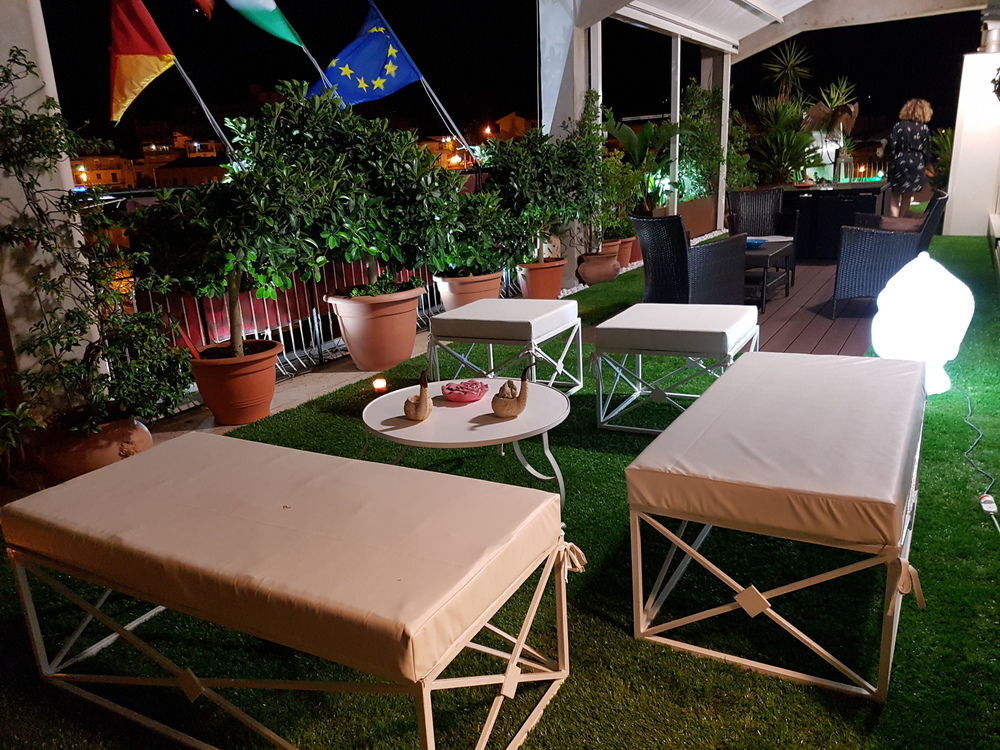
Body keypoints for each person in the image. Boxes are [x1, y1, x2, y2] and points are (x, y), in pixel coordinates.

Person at [886, 99, 933, 217]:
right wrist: (928, 165)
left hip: (900, 161)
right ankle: (901, 220)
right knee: (907, 195)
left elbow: (892, 147)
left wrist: (889, 158)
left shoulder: (898, 126)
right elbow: (927, 150)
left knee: (895, 194)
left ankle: (893, 219)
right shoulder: (924, 128)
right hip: (916, 162)